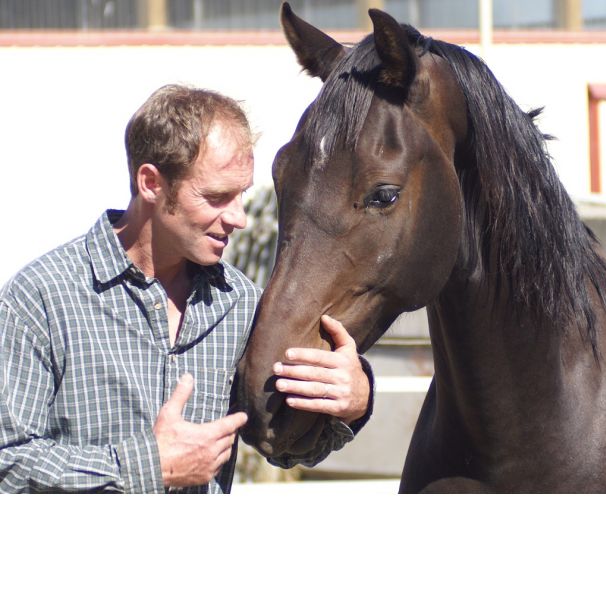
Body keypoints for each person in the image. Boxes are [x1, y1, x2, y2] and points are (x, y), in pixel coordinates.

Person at [0, 84, 373, 493]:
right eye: (216, 197)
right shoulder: (41, 297)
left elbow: (285, 449)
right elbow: (8, 463)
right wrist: (147, 467)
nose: (240, 218)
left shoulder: (240, 305)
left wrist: (352, 400)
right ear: (151, 183)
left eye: (242, 195)